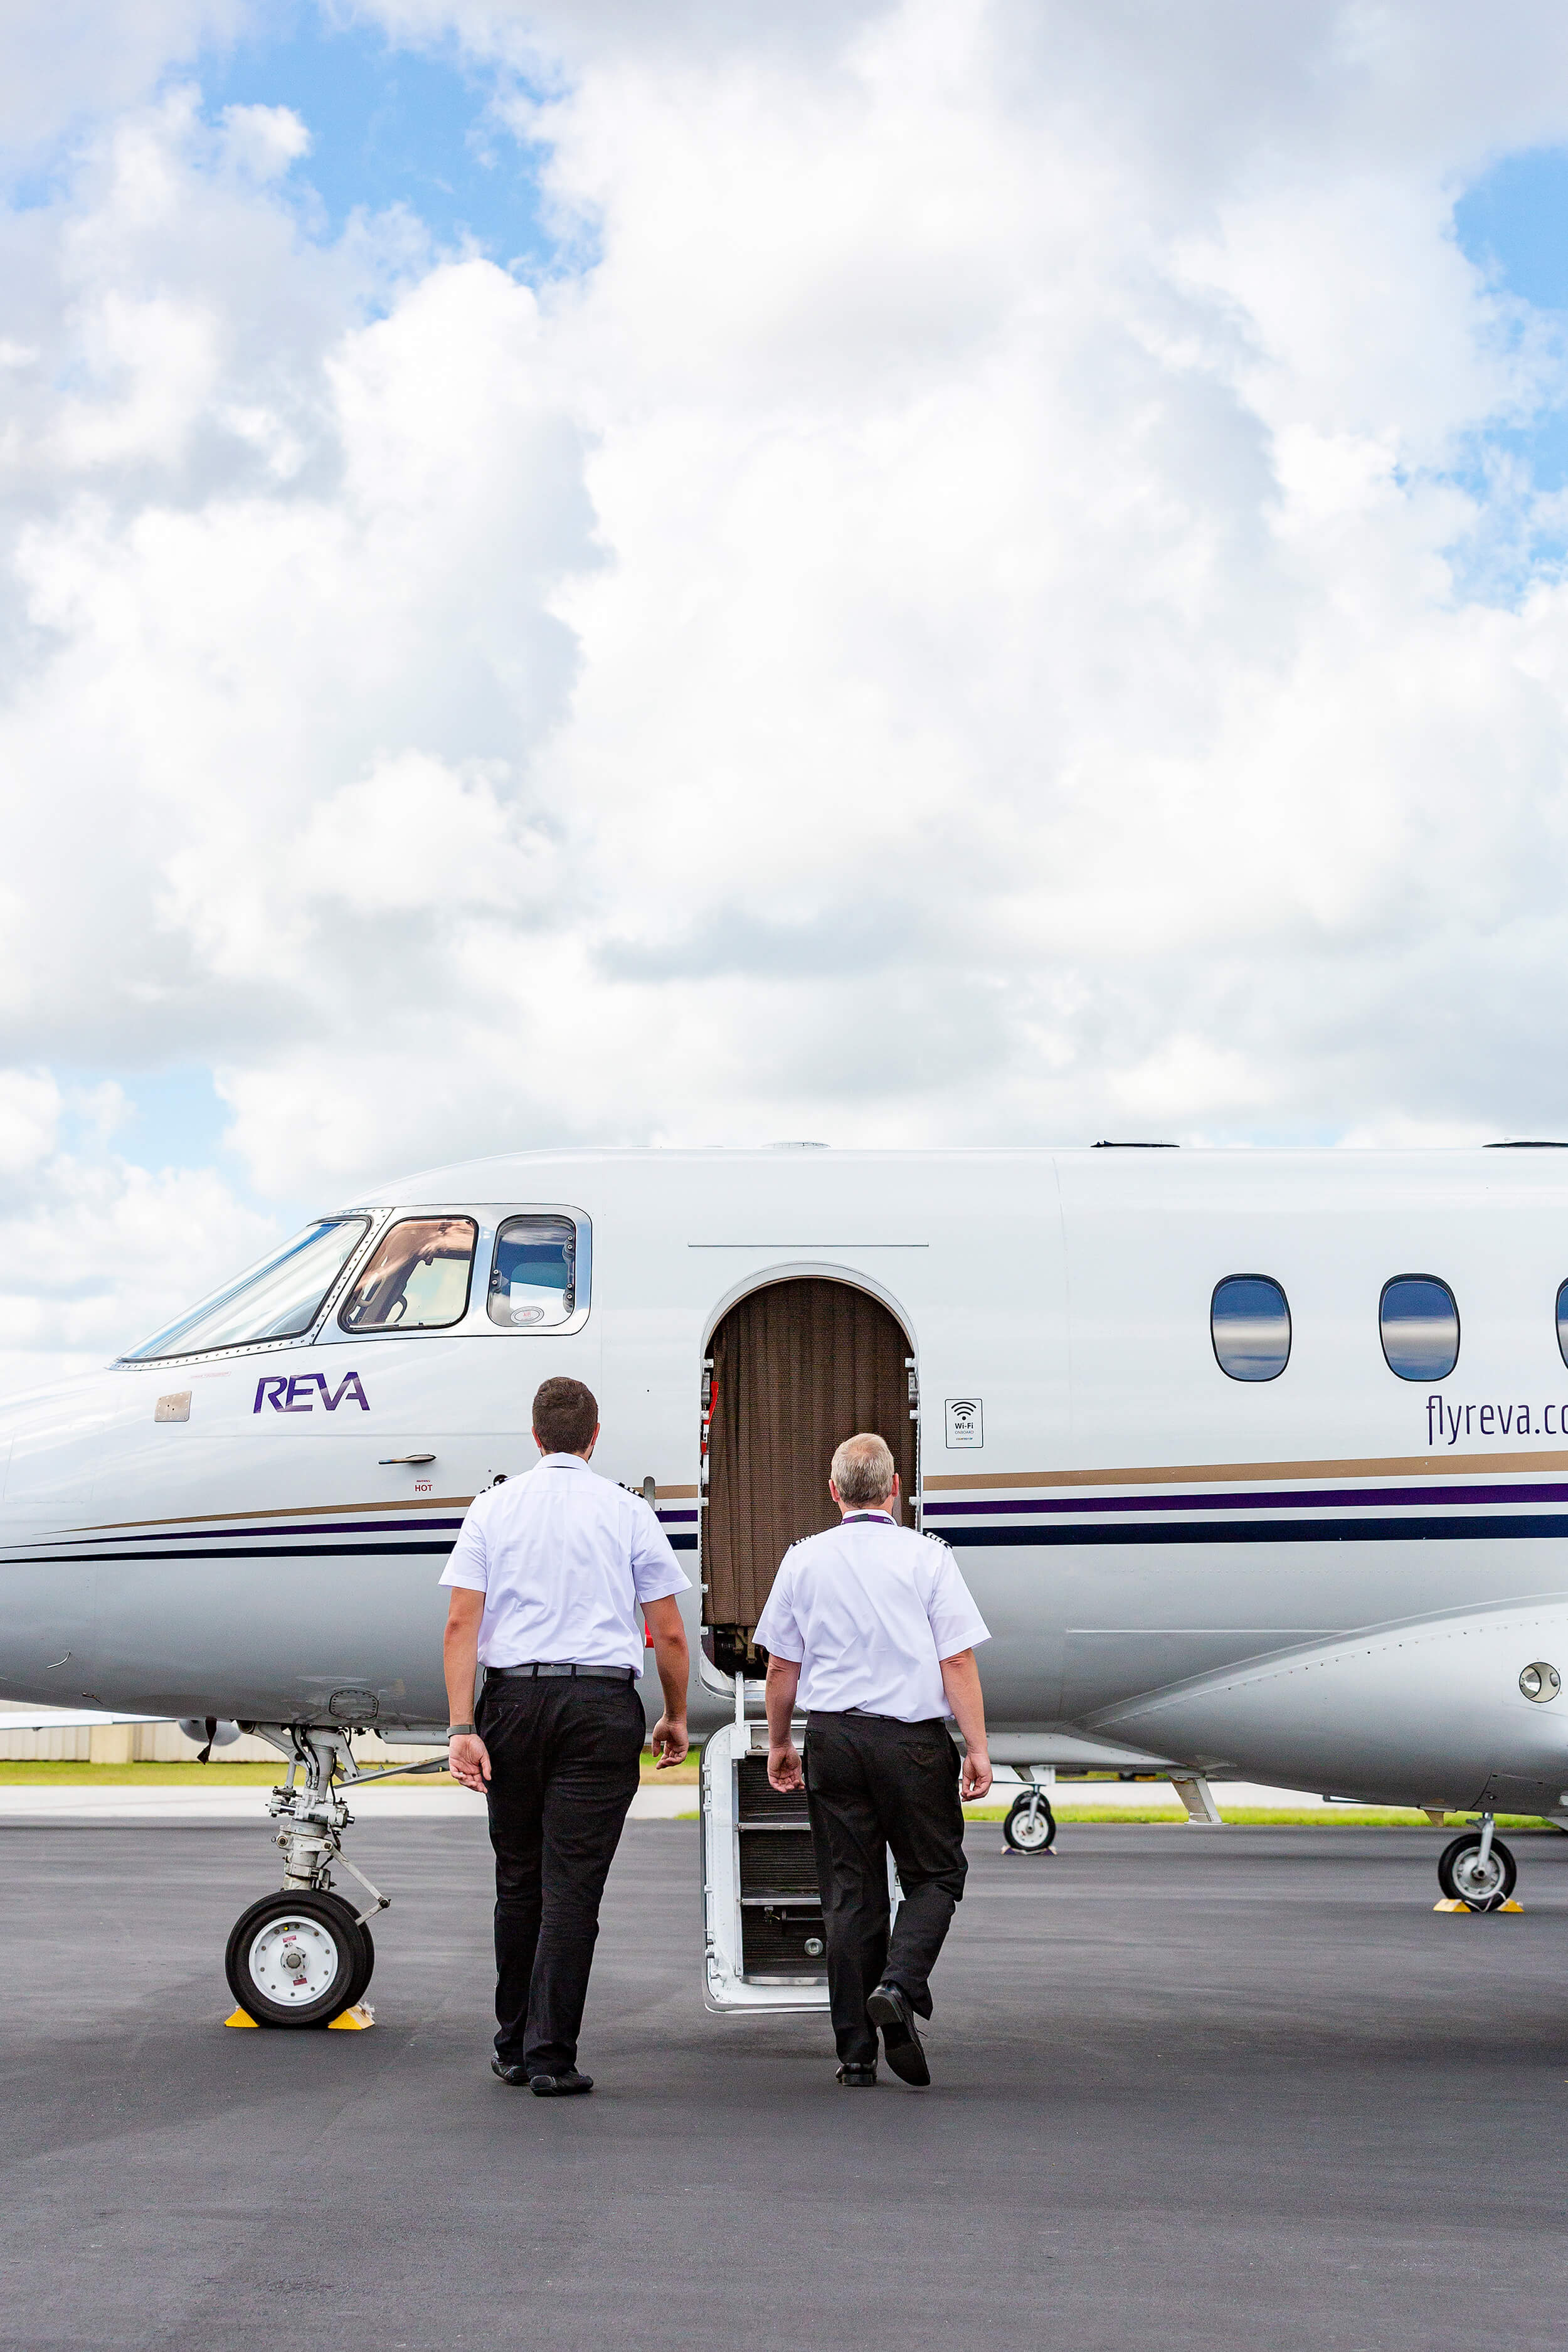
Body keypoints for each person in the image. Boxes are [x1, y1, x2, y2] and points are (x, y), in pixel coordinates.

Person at [440, 1375, 691, 2096]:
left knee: (518, 1880)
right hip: (599, 1705)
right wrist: (672, 1715)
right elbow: (668, 1632)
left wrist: (464, 1724)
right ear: (594, 1436)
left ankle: (512, 2044)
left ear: (535, 1435)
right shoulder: (629, 1511)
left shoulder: (491, 1508)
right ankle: (551, 2056)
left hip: (513, 1701)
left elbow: (462, 1622)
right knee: (572, 1887)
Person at [755, 1431, 992, 2089]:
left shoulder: (803, 1561)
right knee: (936, 1875)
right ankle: (899, 1981)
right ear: (895, 1490)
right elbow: (958, 1659)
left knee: (849, 1896)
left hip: (834, 1739)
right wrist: (975, 1746)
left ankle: (856, 2056)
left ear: (833, 1492)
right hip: (912, 1743)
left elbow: (780, 1663)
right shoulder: (928, 1559)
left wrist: (780, 1742)